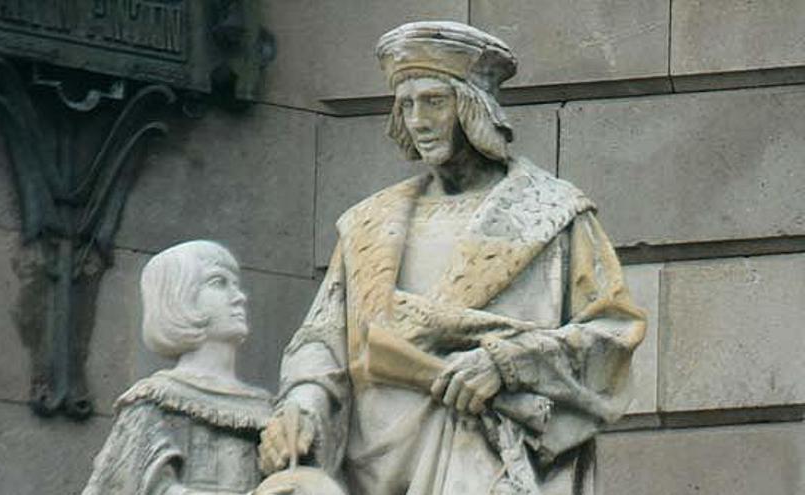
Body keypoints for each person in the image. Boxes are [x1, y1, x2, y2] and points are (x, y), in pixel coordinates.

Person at [258, 21, 646, 495]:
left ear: (472, 106)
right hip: (378, 466)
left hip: (489, 455)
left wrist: (505, 363)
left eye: (434, 102)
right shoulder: (368, 224)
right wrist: (303, 403)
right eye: (406, 105)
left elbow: (612, 334)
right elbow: (323, 339)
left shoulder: (553, 214)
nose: (418, 120)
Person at [83, 241, 271, 495]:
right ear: (178, 297)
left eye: (236, 285)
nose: (239, 297)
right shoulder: (155, 402)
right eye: (218, 282)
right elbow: (139, 486)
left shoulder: (267, 409)